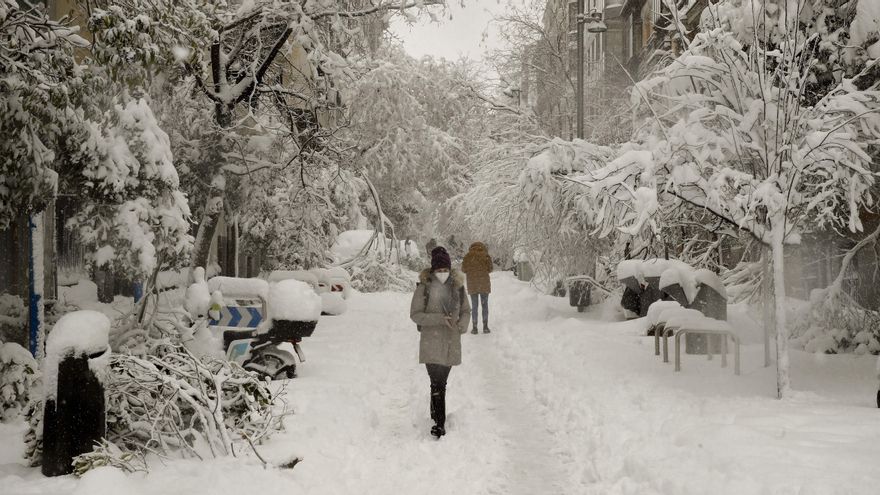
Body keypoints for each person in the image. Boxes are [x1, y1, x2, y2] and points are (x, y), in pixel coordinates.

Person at [410, 246, 470, 438]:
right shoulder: (424, 288)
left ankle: (436, 419)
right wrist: (438, 319)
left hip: (451, 342)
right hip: (431, 343)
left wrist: (461, 325)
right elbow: (415, 315)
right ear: (433, 270)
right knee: (437, 383)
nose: (442, 273)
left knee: (439, 383)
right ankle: (439, 424)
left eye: (445, 270)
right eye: (439, 270)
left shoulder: (458, 287)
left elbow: (466, 311)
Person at [461, 242, 493, 334]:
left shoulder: (468, 256)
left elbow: (463, 269)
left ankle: (474, 328)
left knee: (474, 306)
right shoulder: (486, 255)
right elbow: (490, 269)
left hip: (473, 284)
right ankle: (485, 327)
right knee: (484, 305)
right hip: (484, 284)